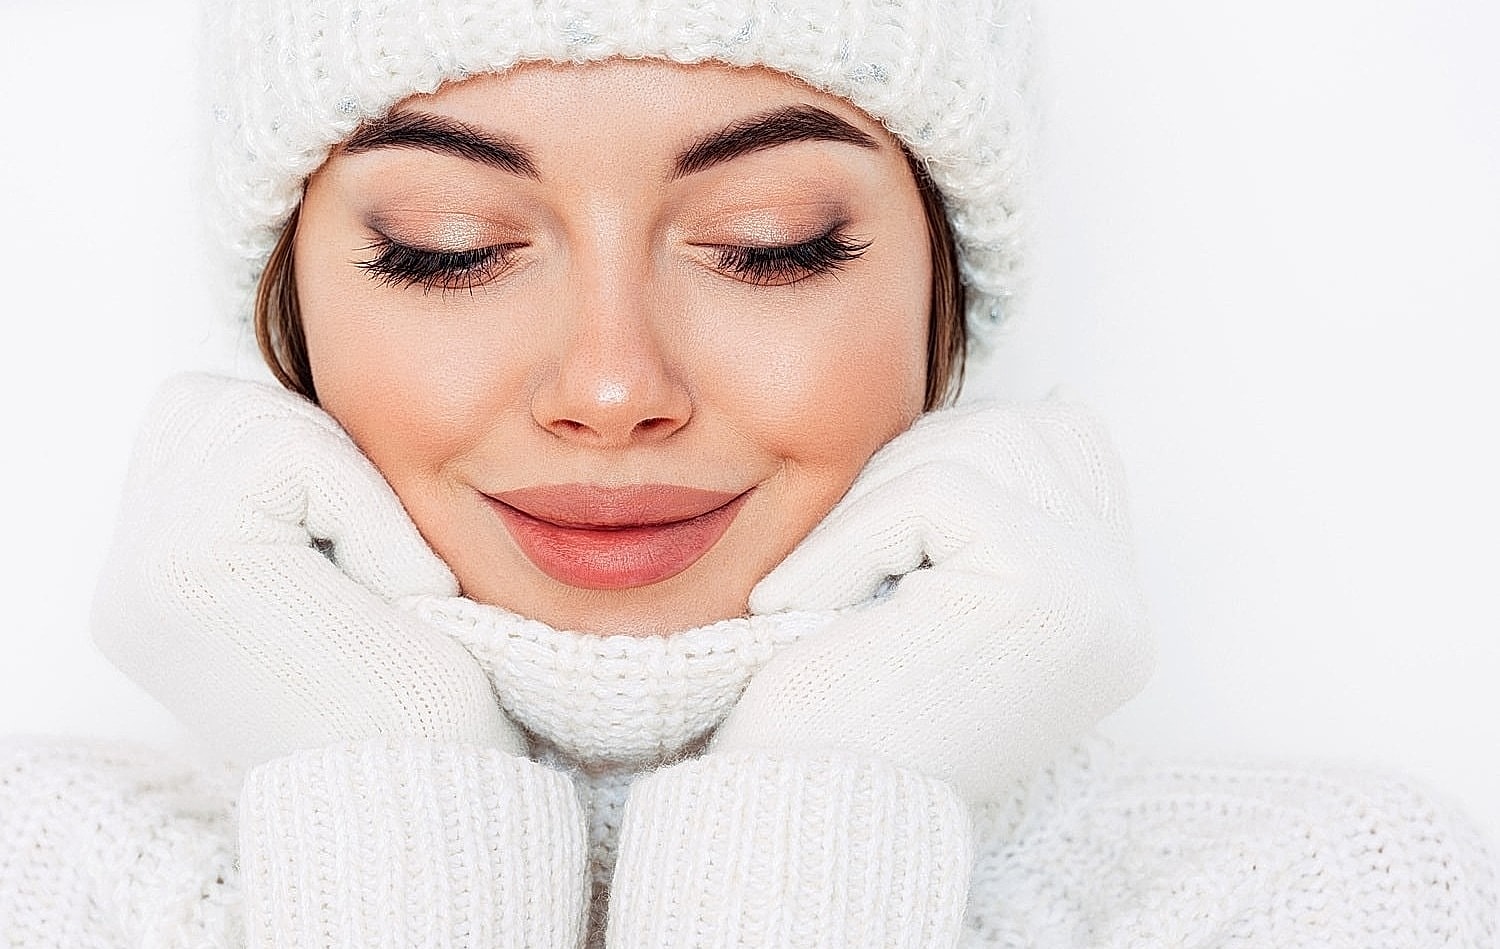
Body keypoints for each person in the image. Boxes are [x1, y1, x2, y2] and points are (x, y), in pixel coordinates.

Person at [0, 0, 1494, 946]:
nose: (609, 385)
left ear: (940, 295)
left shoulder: (1310, 895)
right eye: (447, 247)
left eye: (773, 242)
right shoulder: (44, 883)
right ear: (292, 305)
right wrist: (385, 778)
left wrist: (831, 796)